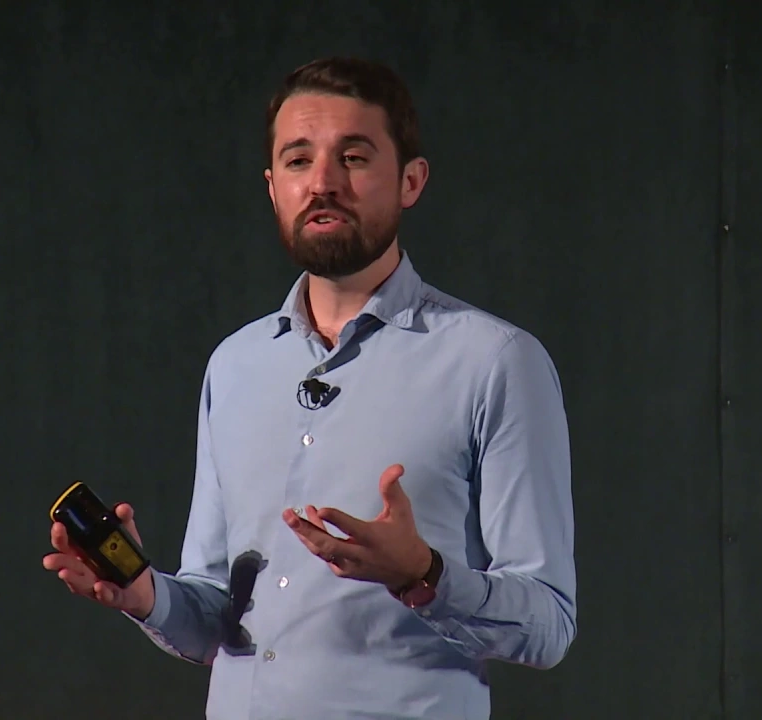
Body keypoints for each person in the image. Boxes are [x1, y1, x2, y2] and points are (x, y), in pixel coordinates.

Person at [43, 56, 577, 719]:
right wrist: (144, 595)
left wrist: (424, 574)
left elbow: (549, 624)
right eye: (298, 161)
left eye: (353, 157)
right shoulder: (235, 365)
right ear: (274, 188)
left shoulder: (495, 362)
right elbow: (216, 619)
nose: (323, 182)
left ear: (411, 180)